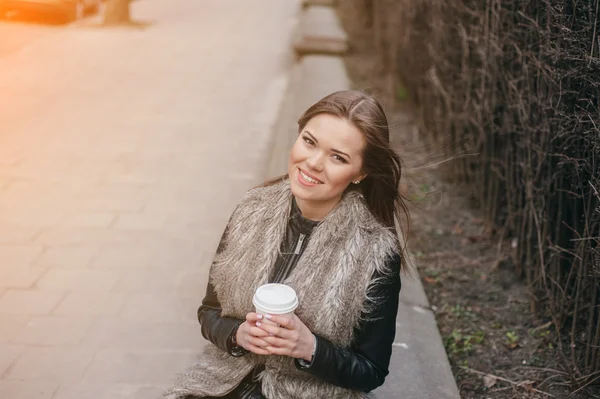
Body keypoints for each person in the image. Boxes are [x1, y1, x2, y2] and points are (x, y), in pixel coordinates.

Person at [161, 90, 411, 399]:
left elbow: (371, 371)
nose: (314, 162)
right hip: (220, 382)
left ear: (360, 173)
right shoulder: (250, 210)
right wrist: (238, 335)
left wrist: (310, 349)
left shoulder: (375, 252)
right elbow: (209, 311)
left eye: (338, 157)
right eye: (309, 141)